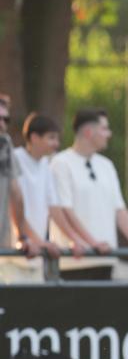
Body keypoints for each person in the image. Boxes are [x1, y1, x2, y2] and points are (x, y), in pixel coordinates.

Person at [49, 109, 128, 280]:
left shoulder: (107, 165)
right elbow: (65, 210)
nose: (109, 134)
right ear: (89, 132)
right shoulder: (61, 163)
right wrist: (92, 243)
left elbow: (119, 209)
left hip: (105, 259)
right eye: (105, 129)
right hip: (74, 261)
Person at [0, 98, 54, 282]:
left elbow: (15, 196)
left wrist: (24, 236)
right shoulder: (15, 153)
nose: (2, 124)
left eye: (5, 119)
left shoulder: (5, 145)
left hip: (9, 251)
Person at [11, 113, 70, 281]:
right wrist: (35, 239)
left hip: (35, 257)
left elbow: (54, 208)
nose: (56, 144)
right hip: (13, 257)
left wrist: (73, 239)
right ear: (34, 137)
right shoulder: (14, 158)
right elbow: (14, 206)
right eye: (51, 138)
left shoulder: (46, 165)